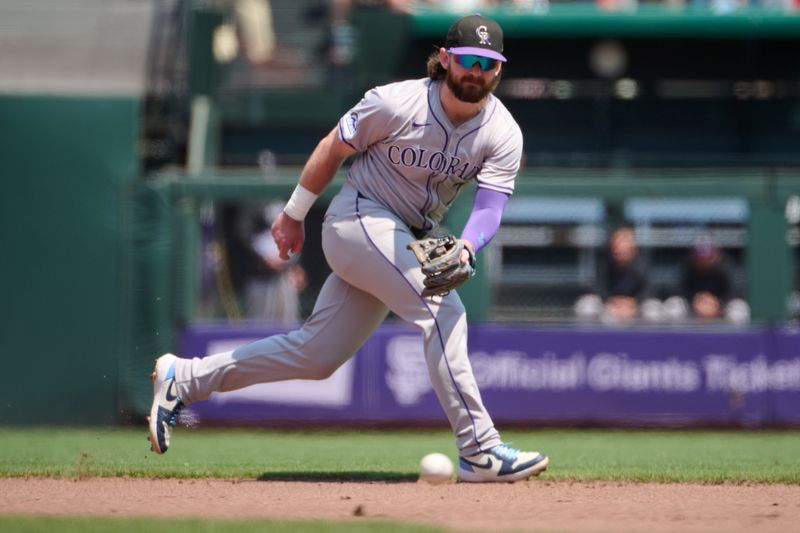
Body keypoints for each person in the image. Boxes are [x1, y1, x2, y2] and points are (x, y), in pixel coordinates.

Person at [148, 14, 549, 482]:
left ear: (499, 70)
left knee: (316, 356)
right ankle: (480, 450)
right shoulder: (396, 101)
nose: (475, 71)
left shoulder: (503, 131)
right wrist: (294, 214)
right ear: (444, 60)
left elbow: (490, 207)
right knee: (443, 309)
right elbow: (332, 147)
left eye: (487, 63)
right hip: (358, 220)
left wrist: (467, 245)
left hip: (403, 238)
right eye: (467, 60)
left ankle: (186, 378)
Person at [574, 226, 656, 323]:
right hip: (609, 306)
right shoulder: (604, 263)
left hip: (635, 307)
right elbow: (597, 288)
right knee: (587, 305)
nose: (620, 253)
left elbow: (648, 290)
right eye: (617, 251)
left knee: (653, 309)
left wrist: (633, 303)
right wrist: (612, 301)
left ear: (633, 250)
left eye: (624, 251)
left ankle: (648, 337)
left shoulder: (641, 265)